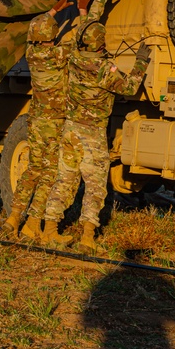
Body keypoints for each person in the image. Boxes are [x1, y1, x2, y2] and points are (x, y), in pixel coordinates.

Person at [2, 0, 110, 240]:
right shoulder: (60, 54)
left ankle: (14, 217)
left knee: (33, 169)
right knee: (51, 173)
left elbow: (36, 29)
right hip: (55, 121)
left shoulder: (32, 51)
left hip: (38, 119)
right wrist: (86, 8)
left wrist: (54, 10)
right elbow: (85, 36)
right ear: (52, 37)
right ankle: (33, 225)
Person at [41, 21, 152, 250]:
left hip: (70, 130)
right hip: (91, 133)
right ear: (101, 43)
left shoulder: (73, 60)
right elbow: (130, 87)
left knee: (64, 180)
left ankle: (49, 231)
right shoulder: (103, 69)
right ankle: (87, 238)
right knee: (95, 186)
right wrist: (141, 61)